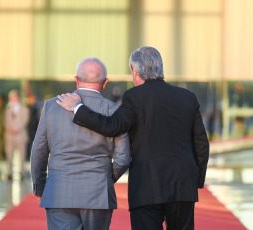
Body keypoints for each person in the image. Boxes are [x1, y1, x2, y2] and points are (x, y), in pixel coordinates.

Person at [57, 47, 210, 230]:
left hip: (147, 187)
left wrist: (77, 108)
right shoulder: (187, 97)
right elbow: (201, 144)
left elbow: (112, 126)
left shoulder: (134, 96)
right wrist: (196, 179)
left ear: (134, 70)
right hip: (183, 186)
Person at [31, 57, 131, 230]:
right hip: (98, 192)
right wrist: (105, 178)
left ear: (76, 79)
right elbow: (123, 158)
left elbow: (39, 151)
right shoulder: (114, 111)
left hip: (58, 191)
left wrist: (40, 185)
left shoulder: (51, 107)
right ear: (105, 82)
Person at [4, 90, 29, 180]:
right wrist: (10, 129)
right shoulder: (8, 109)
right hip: (9, 136)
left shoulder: (24, 109)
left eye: (13, 97)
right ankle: (9, 173)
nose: (12, 99)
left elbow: (25, 121)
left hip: (20, 135)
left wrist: (16, 129)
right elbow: (5, 121)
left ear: (18, 98)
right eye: (10, 97)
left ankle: (22, 172)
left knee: (22, 155)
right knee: (9, 155)